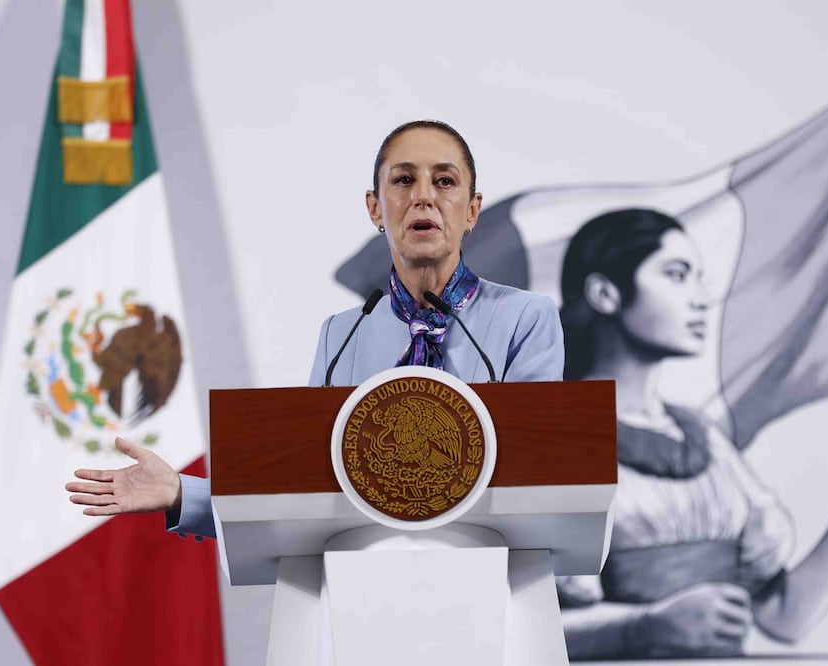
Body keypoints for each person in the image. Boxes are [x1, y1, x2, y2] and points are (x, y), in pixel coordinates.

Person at [65, 120, 564, 538]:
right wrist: (184, 492)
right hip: (366, 596)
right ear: (375, 208)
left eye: (445, 181)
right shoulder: (343, 334)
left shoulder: (524, 319)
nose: (424, 198)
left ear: (472, 210)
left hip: (486, 582)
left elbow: (540, 476)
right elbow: (308, 489)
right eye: (404, 180)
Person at [555, 208, 828, 659]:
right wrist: (644, 627)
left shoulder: (706, 441)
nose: (701, 299)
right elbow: (525, 629)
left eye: (698, 277)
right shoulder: (557, 438)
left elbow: (783, 618)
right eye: (677, 275)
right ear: (605, 293)